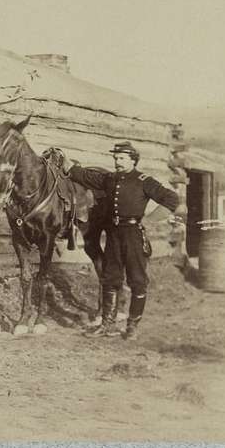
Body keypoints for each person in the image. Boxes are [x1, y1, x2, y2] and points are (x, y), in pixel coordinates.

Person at [63, 141, 181, 341]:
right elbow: (84, 175)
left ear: (133, 160)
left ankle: (132, 327)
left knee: (137, 281)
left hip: (134, 235)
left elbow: (171, 199)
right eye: (115, 158)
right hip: (114, 235)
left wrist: (150, 220)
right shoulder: (110, 179)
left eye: (122, 158)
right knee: (110, 278)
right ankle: (107, 324)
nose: (117, 162)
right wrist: (66, 162)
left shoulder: (144, 181)